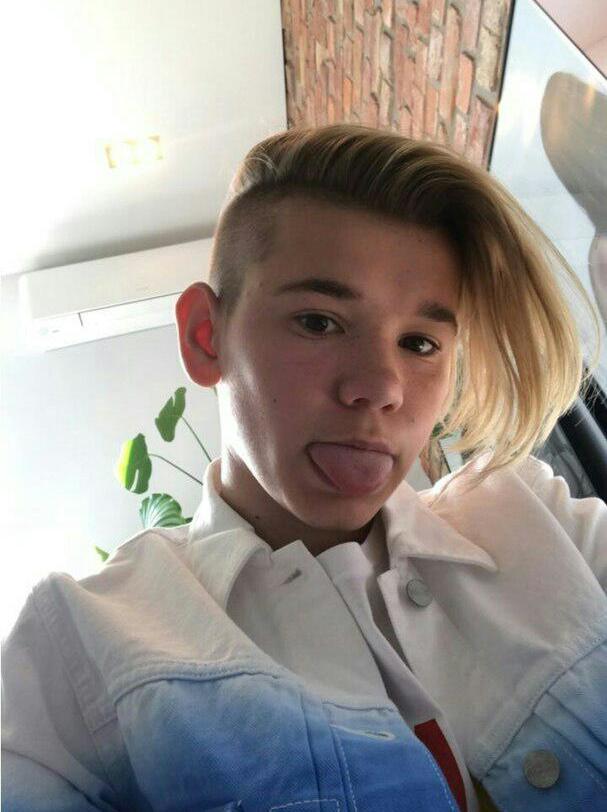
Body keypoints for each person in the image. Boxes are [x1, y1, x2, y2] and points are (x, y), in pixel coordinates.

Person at [2, 124, 606, 812]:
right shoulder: (80, 650)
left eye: (418, 343)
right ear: (206, 336)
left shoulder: (534, 516)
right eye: (318, 322)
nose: (381, 387)